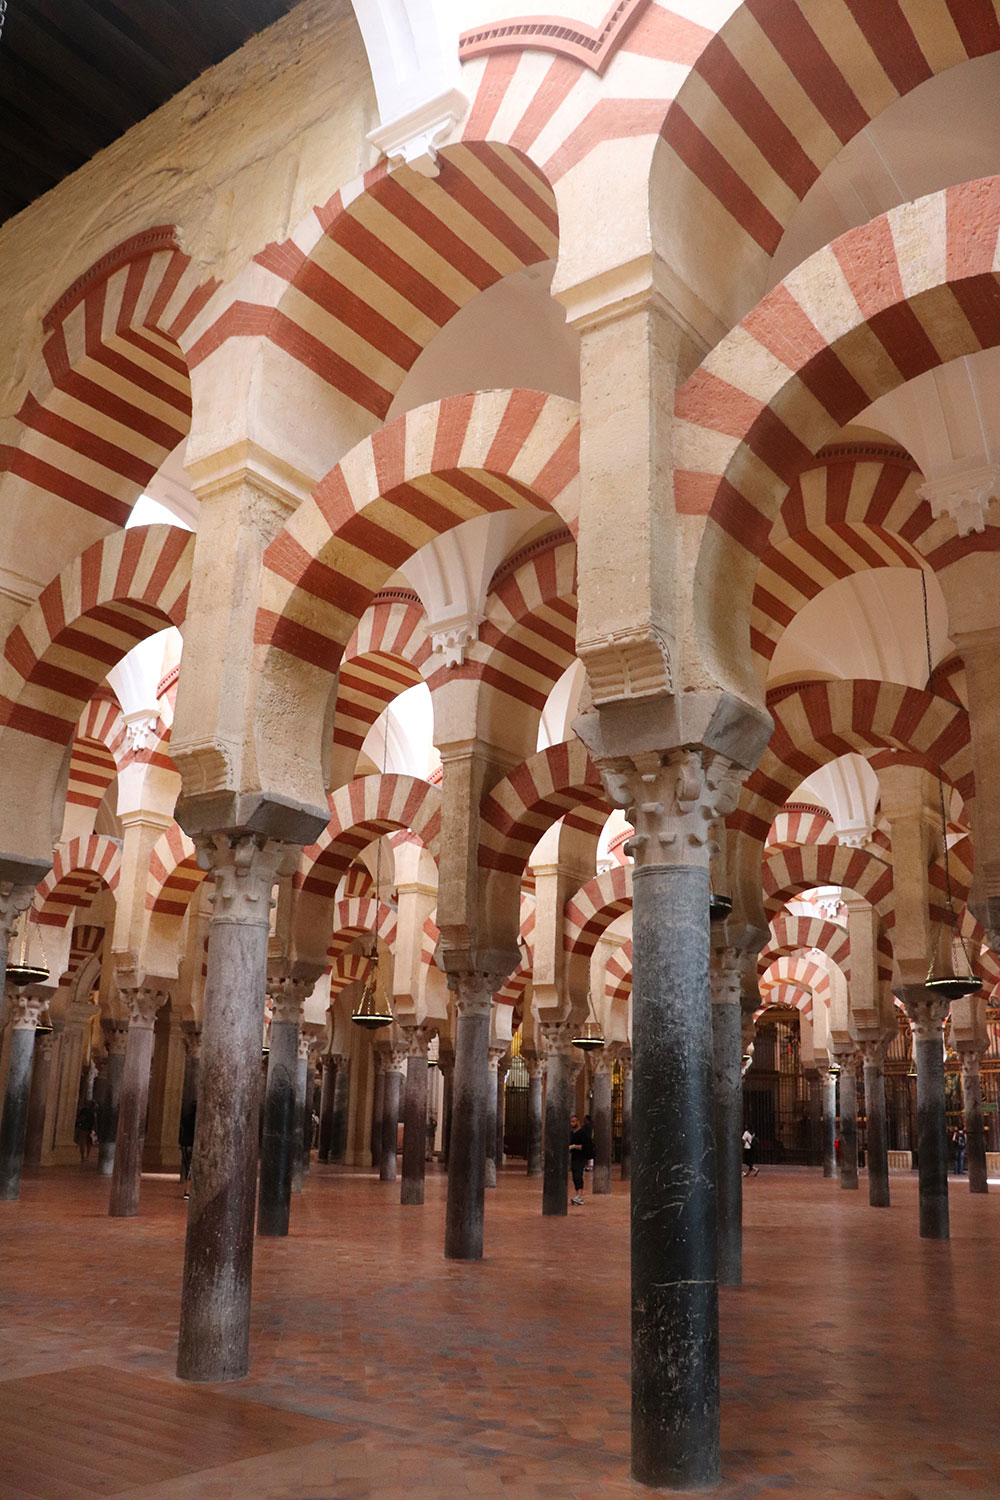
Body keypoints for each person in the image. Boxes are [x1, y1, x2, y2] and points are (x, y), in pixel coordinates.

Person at [178, 1099, 196, 1198]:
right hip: (193, 1144)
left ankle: (187, 1189)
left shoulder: (185, 1119)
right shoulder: (198, 1121)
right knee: (191, 1168)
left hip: (185, 1144)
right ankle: (188, 1190)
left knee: (187, 1166)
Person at [569, 1114, 587, 1205]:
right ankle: (577, 1195)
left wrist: (574, 1146)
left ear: (578, 1122)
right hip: (574, 1157)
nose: (571, 1123)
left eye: (573, 1121)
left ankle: (580, 1196)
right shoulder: (572, 1133)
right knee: (574, 1176)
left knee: (578, 1175)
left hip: (581, 1158)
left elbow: (585, 1146)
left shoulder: (582, 1133)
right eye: (571, 1122)